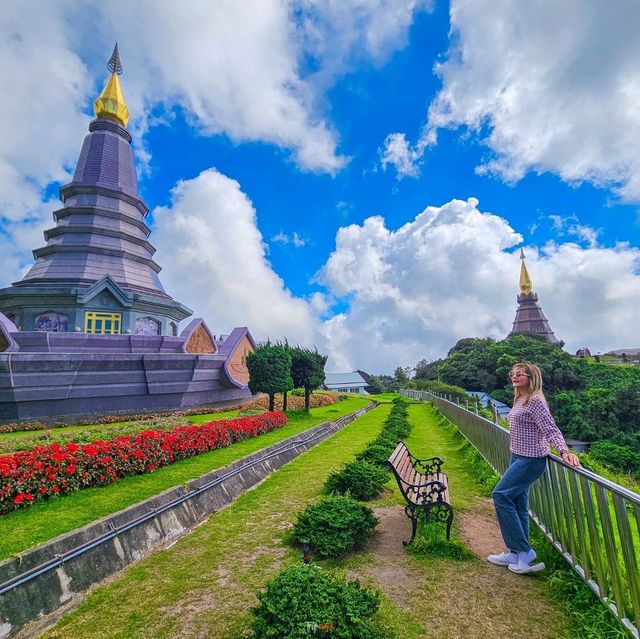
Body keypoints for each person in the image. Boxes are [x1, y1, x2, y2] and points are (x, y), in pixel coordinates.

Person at [488, 362, 580, 574]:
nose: (515, 376)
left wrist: (564, 451)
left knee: (500, 496)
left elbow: (551, 429)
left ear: (532, 377)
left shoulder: (535, 401)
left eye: (521, 373)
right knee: (518, 504)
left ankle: (524, 550)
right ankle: (515, 553)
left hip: (530, 461)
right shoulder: (519, 398)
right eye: (513, 373)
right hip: (517, 456)